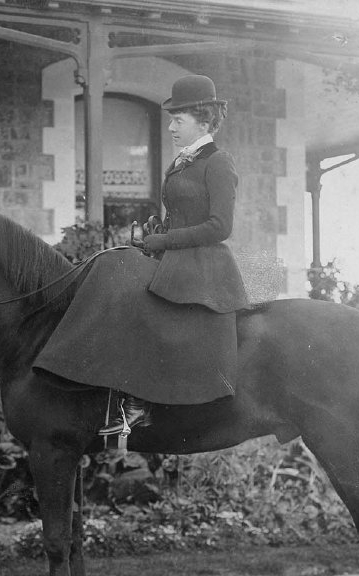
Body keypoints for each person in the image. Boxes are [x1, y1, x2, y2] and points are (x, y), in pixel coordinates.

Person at [98, 74, 249, 436]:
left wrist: (165, 242)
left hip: (205, 267)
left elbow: (219, 227)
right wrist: (156, 232)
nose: (170, 127)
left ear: (203, 120)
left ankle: (138, 406)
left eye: (177, 120)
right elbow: (180, 215)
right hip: (176, 261)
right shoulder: (183, 162)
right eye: (171, 120)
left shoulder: (218, 162)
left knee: (146, 312)